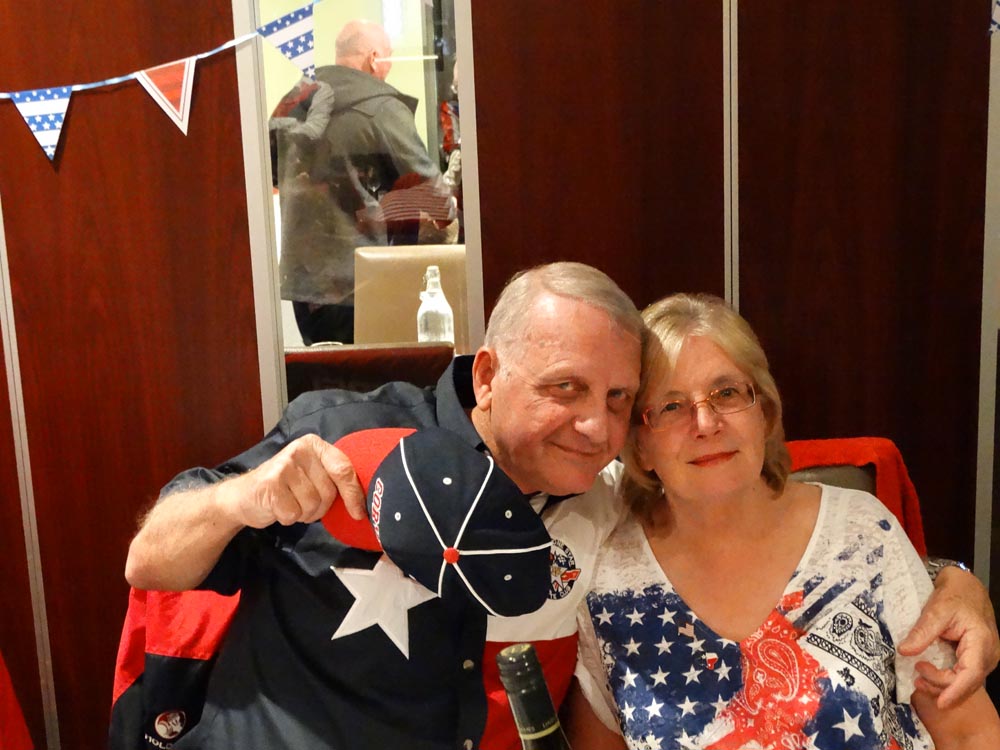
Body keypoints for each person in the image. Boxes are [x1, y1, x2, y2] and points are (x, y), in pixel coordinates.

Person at [124, 264, 998, 750]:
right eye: (565, 389)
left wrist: (953, 580)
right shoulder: (346, 435)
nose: (594, 427)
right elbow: (150, 561)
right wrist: (246, 498)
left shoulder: (597, 503)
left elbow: (753, 518)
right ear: (489, 374)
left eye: (619, 399)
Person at [566, 293, 1000, 749]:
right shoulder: (606, 579)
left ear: (765, 414)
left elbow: (969, 732)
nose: (706, 423)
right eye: (671, 406)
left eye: (726, 393)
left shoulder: (862, 532)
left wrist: (961, 580)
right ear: (639, 447)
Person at [271, 19, 442, 345]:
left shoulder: (294, 101)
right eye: (390, 57)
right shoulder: (382, 107)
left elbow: (273, 171)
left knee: (325, 370)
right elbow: (433, 193)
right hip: (362, 281)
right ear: (375, 58)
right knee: (373, 372)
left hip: (305, 285)